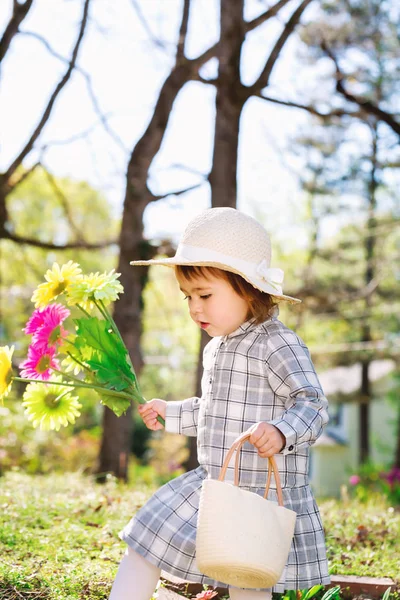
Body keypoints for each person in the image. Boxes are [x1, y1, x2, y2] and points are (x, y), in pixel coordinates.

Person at [109, 207, 330, 600]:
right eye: (188, 297)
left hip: (259, 494)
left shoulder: (277, 343)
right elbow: (214, 410)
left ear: (247, 288)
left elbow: (313, 405)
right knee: (145, 537)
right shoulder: (216, 349)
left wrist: (281, 432)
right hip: (213, 484)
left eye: (205, 294)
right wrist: (170, 411)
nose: (195, 307)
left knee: (249, 579)